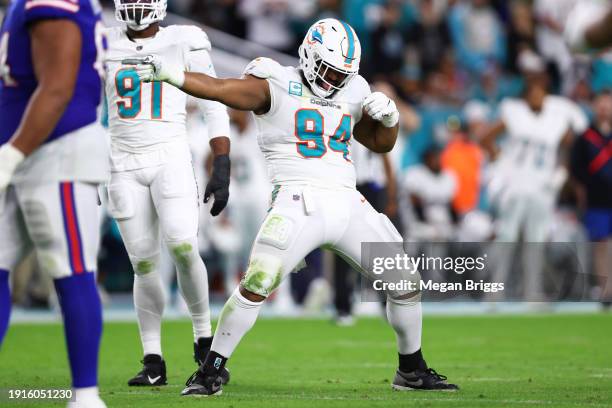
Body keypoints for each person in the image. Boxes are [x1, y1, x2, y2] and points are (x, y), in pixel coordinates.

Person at [131, 17, 458, 396]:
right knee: (258, 281)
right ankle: (211, 369)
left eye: (341, 75)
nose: (334, 81)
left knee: (405, 283)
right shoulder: (274, 81)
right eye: (328, 71)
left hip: (348, 200)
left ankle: (411, 369)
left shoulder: (354, 89)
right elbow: (222, 89)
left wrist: (391, 119)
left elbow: (379, 143)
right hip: (297, 198)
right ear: (308, 55)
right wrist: (177, 76)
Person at [104, 0, 230, 387]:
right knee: (142, 263)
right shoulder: (102, 42)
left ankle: (203, 337)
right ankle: (153, 359)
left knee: (182, 246)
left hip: (170, 157)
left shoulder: (183, 38)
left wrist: (221, 160)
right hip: (122, 163)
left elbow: (213, 99)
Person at [0, 0, 108, 406]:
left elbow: (59, 86)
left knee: (71, 270)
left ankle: (85, 396)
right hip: (25, 148)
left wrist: (11, 156)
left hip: (58, 152)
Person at [482, 52, 588, 301]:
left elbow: (571, 146)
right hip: (516, 184)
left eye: (540, 90)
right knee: (507, 237)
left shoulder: (555, 120)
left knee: (536, 241)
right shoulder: (514, 112)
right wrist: (500, 161)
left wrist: (561, 172)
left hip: (541, 186)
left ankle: (532, 293)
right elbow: (486, 137)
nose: (537, 95)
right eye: (533, 90)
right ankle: (494, 293)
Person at [570, 90, 612, 308]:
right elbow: (576, 168)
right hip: (597, 199)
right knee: (601, 245)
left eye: (608, 103)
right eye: (601, 103)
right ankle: (606, 291)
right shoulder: (585, 137)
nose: (605, 107)